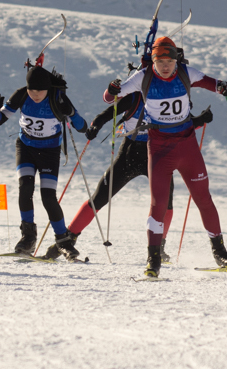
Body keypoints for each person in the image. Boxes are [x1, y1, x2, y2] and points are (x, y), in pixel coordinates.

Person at [104, 36, 227, 277]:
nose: (165, 66)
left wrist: (222, 86)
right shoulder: (143, 76)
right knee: (158, 204)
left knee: (203, 199)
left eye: (169, 61)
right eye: (160, 61)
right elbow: (111, 98)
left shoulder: (185, 72)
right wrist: (112, 90)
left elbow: (211, 83)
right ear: (153, 61)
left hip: (187, 147)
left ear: (176, 60)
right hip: (160, 148)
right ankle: (153, 258)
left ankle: (220, 252)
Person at [43, 90, 212, 261]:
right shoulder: (134, 98)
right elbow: (107, 114)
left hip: (157, 156)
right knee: (99, 198)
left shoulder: (168, 97)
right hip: (129, 154)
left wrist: (200, 120)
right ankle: (66, 240)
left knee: (165, 203)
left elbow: (184, 124)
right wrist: (96, 125)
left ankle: (158, 248)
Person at [0, 65, 89, 255]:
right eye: (32, 90)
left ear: (48, 88)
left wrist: (71, 113)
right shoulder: (21, 95)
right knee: (25, 187)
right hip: (26, 148)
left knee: (48, 197)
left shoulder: (57, 97)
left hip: (49, 152)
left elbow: (82, 127)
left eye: (40, 90)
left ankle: (63, 242)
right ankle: (28, 237)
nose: (35, 94)